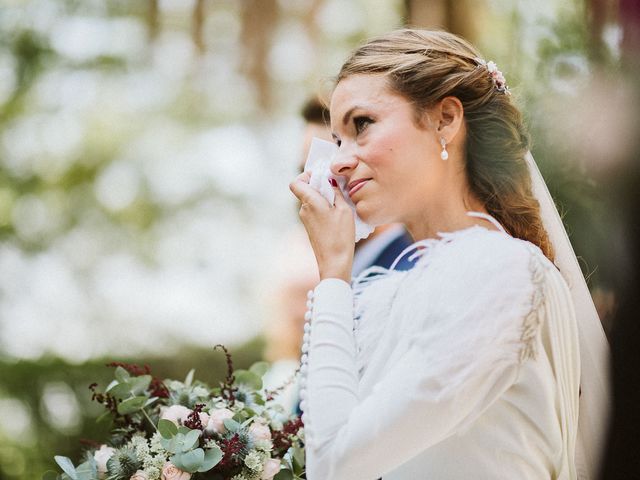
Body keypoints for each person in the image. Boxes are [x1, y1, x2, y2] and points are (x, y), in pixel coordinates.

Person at [289, 29, 609, 479]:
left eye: (361, 125)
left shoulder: (500, 275)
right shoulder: (396, 287)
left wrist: (333, 274)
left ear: (445, 120)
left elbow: (334, 463)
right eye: (337, 141)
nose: (338, 162)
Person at [300, 96, 415, 275]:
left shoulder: (405, 270)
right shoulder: (351, 272)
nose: (306, 184)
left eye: (320, 168)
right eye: (304, 168)